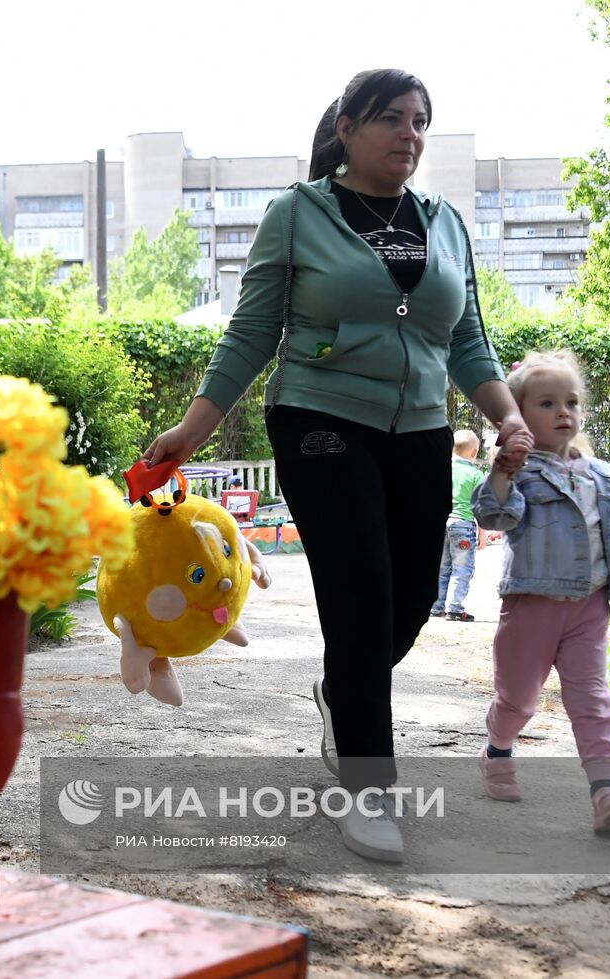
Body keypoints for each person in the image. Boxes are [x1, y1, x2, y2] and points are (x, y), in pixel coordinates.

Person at [141, 68, 532, 863]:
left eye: (420, 121)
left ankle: (344, 689)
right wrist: (193, 426)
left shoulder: (446, 222)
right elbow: (250, 333)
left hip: (421, 425)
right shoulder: (298, 213)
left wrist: (508, 413)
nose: (409, 134)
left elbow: (466, 340)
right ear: (347, 127)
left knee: (413, 595)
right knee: (360, 591)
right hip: (321, 417)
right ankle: (369, 786)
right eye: (390, 119)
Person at [472, 350, 610, 832]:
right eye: (546, 403)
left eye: (572, 402)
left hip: (590, 605)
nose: (564, 412)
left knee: (592, 697)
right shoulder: (521, 473)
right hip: (532, 604)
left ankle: (606, 791)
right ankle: (497, 750)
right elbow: (493, 516)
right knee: (518, 698)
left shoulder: (604, 476)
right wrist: (501, 470)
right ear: (518, 416)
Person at [430, 429, 486, 621]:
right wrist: (483, 535)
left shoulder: (441, 469)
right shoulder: (475, 474)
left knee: (443, 566)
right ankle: (454, 608)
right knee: (462, 568)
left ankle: (436, 606)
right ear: (474, 452)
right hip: (463, 525)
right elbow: (481, 507)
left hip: (443, 522)